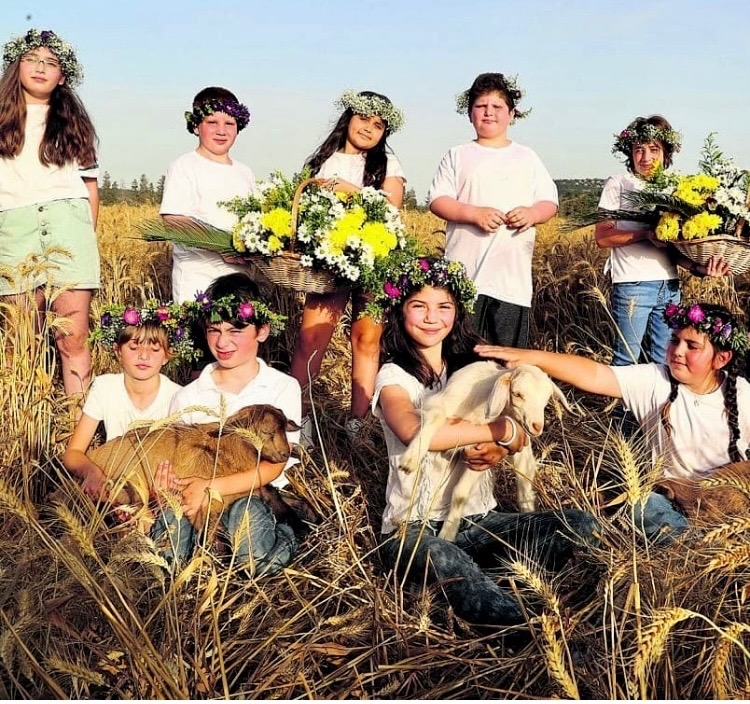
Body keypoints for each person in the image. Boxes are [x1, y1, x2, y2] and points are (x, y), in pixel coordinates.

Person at [372, 255, 598, 626]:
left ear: (458, 312)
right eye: (419, 306)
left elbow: (523, 417)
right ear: (400, 311)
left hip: (480, 520)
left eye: (444, 307)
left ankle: (484, 585)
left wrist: (507, 443)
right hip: (413, 527)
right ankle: (524, 625)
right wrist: (499, 432)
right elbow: (414, 432)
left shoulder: (477, 367)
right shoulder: (394, 377)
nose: (431, 317)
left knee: (578, 524)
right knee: (443, 557)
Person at [475, 301, 750, 543]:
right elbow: (595, 375)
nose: (677, 351)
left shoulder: (742, 393)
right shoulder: (655, 381)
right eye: (674, 340)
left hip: (730, 497)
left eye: (692, 346)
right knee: (641, 506)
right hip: (674, 499)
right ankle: (696, 547)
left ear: (721, 358)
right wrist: (530, 356)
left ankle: (708, 541)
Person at [151, 273, 302, 576]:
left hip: (256, 494)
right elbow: (176, 460)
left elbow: (275, 464)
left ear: (262, 330)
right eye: (214, 330)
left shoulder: (281, 386)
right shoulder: (189, 396)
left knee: (252, 555)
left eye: (236, 330)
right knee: (169, 560)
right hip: (197, 502)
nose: (222, 342)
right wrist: (167, 488)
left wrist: (213, 486)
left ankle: (290, 535)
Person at [289, 90, 406, 446]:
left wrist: (350, 190)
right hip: (330, 261)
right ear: (348, 117)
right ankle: (299, 418)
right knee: (312, 338)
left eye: (378, 125)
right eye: (363, 119)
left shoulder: (388, 165)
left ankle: (359, 422)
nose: (369, 128)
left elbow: (391, 211)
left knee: (367, 338)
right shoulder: (325, 161)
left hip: (374, 260)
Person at [0, 29, 100, 396]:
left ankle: (78, 421)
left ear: (62, 76)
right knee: (19, 341)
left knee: (72, 338)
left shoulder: (74, 123)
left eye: (51, 62)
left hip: (68, 228)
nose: (41, 67)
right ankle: (20, 421)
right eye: (32, 59)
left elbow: (90, 187)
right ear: (16, 66)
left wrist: (84, 241)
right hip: (13, 229)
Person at [428, 72, 558, 350]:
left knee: (506, 359)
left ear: (511, 114)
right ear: (469, 114)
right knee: (461, 356)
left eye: (497, 106)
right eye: (481, 106)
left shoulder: (527, 157)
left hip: (511, 283)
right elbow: (438, 200)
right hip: (464, 277)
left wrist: (532, 214)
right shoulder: (457, 154)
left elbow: (549, 202)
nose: (489, 112)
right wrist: (473, 214)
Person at [595, 115, 729, 367]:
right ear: (630, 153)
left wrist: (699, 268)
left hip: (669, 286)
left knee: (667, 360)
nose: (646, 157)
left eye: (654, 149)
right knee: (626, 359)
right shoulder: (619, 184)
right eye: (639, 149)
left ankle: (662, 397)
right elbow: (602, 237)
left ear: (666, 152)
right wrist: (645, 234)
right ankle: (620, 397)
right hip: (633, 285)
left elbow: (672, 248)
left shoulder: (673, 189)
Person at [62, 301, 192, 504]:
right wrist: (93, 474)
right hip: (112, 481)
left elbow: (180, 461)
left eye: (154, 349)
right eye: (133, 347)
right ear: (118, 351)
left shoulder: (178, 397)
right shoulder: (104, 387)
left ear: (167, 356)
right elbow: (73, 453)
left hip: (156, 491)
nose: (144, 356)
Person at [159, 86, 255, 304]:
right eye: (212, 122)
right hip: (197, 279)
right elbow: (173, 220)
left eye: (229, 123)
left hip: (242, 280)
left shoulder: (245, 172)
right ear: (195, 126)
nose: (221, 131)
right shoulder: (185, 166)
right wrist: (221, 245)